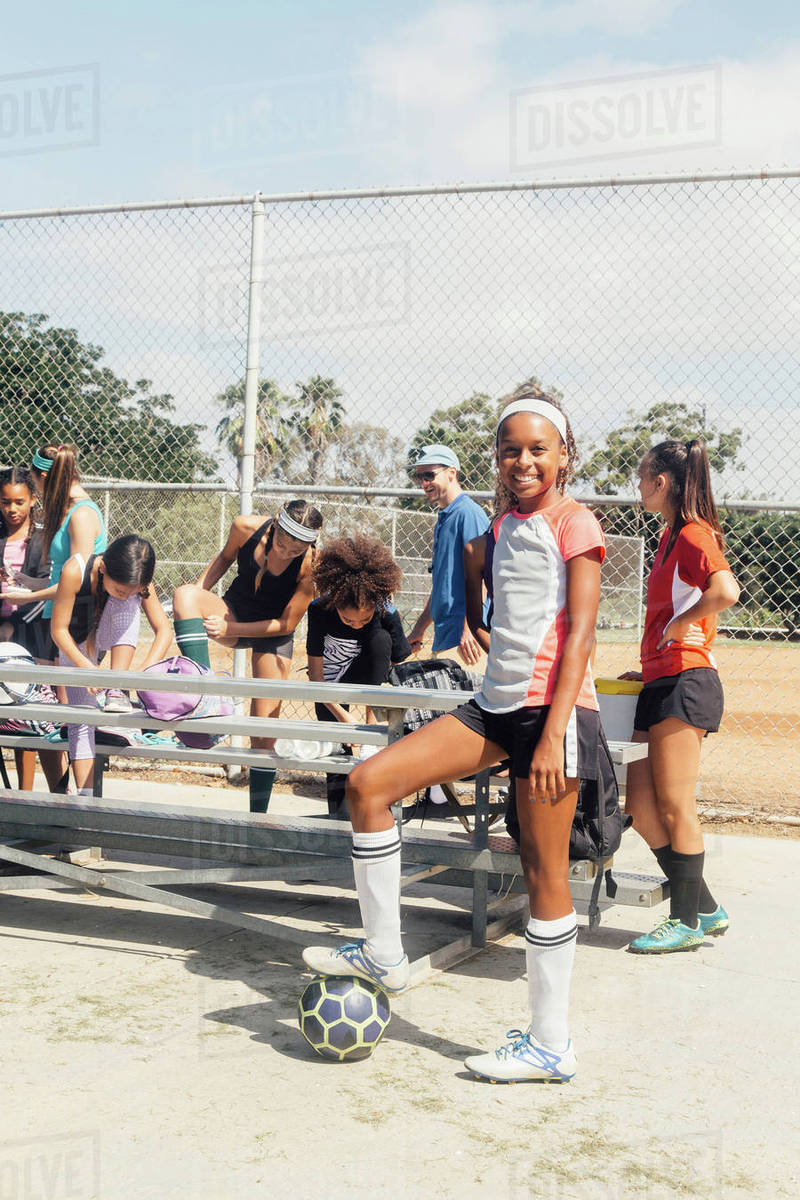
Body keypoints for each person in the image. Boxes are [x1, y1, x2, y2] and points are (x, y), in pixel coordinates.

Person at [303, 390, 614, 1084]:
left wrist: (556, 732)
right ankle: (385, 954)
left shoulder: (576, 523)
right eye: (510, 449)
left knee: (543, 874)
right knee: (368, 783)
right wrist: (471, 612)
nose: (523, 460)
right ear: (495, 459)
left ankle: (549, 1045)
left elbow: (584, 635)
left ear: (564, 456)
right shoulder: (495, 530)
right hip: (493, 707)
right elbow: (478, 605)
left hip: (552, 716)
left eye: (539, 448)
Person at [620, 440, 740, 954]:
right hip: (660, 679)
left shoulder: (692, 533)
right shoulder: (670, 536)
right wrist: (647, 661)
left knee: (673, 804)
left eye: (642, 476)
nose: (639, 485)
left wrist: (678, 625)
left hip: (688, 680)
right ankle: (706, 908)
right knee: (642, 808)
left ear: (661, 481)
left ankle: (685, 920)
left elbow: (725, 591)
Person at [172, 499, 323, 812]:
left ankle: (259, 817)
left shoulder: (312, 565)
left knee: (263, 733)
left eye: (295, 551)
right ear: (275, 528)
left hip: (272, 633)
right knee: (184, 594)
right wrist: (200, 594)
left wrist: (233, 627)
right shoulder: (245, 527)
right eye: (282, 544)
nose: (286, 553)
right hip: (234, 611)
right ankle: (206, 699)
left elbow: (286, 623)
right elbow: (224, 559)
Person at [50, 535, 172, 794]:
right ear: (103, 567)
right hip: (76, 646)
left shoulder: (136, 587)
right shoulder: (75, 570)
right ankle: (86, 802)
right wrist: (88, 670)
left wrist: (143, 674)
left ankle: (118, 689)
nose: (126, 592)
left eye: (133, 588)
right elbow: (58, 631)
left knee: (127, 603)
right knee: (81, 721)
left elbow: (164, 630)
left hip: (107, 640)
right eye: (119, 588)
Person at [306, 533, 411, 818]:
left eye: (363, 619)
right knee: (337, 751)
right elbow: (316, 678)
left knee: (380, 641)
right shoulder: (319, 610)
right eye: (348, 619)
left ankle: (375, 811)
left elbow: (395, 663)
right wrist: (344, 717)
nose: (356, 624)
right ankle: (338, 819)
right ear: (335, 603)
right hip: (329, 686)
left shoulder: (385, 610)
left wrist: (369, 724)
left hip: (368, 684)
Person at [406, 444, 488, 667]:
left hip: (466, 642)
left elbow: (484, 576)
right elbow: (442, 584)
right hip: (448, 636)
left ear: (451, 473)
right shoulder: (445, 516)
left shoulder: (468, 514)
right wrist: (419, 628)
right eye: (419, 477)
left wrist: (470, 629)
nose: (424, 483)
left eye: (429, 475)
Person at [0, 467, 54, 789]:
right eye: (5, 502)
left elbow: (49, 589)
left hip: (31, 635)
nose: (12, 509)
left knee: (28, 717)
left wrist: (11, 625)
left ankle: (27, 797)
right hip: (2, 629)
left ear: (33, 499)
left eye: (19, 501)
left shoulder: (44, 538)